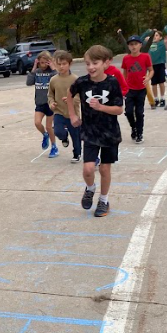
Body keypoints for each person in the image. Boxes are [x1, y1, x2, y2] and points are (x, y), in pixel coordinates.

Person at [67, 45, 124, 219]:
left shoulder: (113, 82)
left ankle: (104, 200)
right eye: (88, 63)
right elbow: (69, 94)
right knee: (88, 169)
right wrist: (72, 115)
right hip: (90, 132)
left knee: (105, 169)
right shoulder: (82, 82)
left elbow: (119, 109)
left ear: (106, 63)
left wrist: (101, 107)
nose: (91, 67)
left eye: (95, 63)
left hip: (110, 133)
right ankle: (90, 188)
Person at [119, 34, 153, 144]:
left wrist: (148, 78)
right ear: (128, 46)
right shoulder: (126, 58)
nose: (133, 47)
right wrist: (123, 85)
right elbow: (124, 72)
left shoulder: (145, 56)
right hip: (129, 89)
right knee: (128, 111)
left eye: (135, 44)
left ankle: (140, 133)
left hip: (141, 89)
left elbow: (151, 70)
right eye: (131, 45)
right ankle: (133, 127)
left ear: (140, 45)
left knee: (139, 112)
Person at [48, 50, 82, 163]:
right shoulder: (53, 80)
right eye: (59, 64)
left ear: (70, 64)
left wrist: (71, 100)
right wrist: (51, 103)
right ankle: (64, 137)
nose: (61, 66)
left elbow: (80, 96)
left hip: (73, 114)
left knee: (76, 136)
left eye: (64, 64)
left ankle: (77, 154)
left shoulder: (75, 79)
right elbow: (50, 95)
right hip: (59, 112)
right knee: (58, 131)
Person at [27, 51, 58, 158]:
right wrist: (34, 67)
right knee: (37, 123)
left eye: (45, 63)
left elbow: (57, 80)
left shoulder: (52, 73)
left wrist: (53, 68)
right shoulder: (37, 71)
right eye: (41, 63)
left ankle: (54, 146)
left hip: (50, 103)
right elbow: (29, 82)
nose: (43, 65)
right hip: (40, 103)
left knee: (49, 127)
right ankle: (45, 135)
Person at [140, 27, 167, 107]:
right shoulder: (148, 44)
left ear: (160, 37)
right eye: (154, 35)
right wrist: (147, 32)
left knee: (161, 82)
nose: (155, 37)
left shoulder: (162, 43)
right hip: (151, 66)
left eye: (157, 35)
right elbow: (140, 40)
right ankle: (156, 99)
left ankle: (162, 98)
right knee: (154, 83)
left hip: (160, 64)